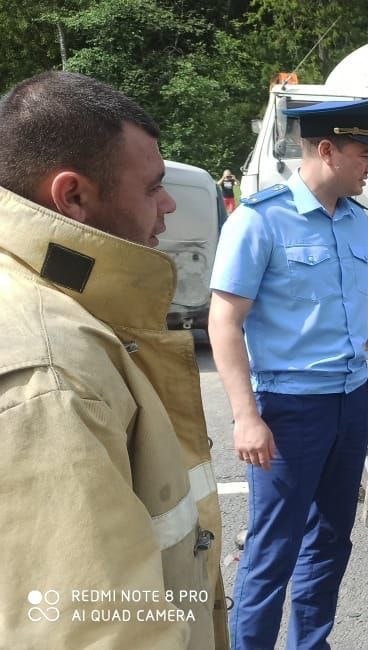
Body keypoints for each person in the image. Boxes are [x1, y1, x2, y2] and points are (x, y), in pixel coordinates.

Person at [0, 71, 228, 648]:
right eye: (153, 187)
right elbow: (91, 628)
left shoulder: (45, 304)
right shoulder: (53, 371)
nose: (170, 203)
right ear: (72, 195)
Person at [209, 96, 368, 649]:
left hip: (347, 403)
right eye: (364, 153)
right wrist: (246, 417)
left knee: (330, 541)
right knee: (273, 549)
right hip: (288, 409)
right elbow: (224, 320)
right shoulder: (259, 219)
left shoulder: (355, 221)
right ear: (327, 150)